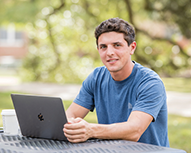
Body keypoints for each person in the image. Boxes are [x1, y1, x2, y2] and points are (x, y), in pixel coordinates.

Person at [63, 17, 169, 147]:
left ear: (132, 47)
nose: (109, 53)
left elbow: (134, 131)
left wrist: (90, 130)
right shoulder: (96, 78)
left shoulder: (150, 83)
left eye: (117, 45)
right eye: (103, 47)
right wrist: (71, 126)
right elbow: (71, 115)